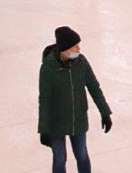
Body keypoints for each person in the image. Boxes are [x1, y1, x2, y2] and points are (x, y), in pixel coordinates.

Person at [38, 26, 112, 173]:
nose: (79, 49)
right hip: (56, 122)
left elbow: (94, 87)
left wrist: (105, 112)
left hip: (78, 119)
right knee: (60, 158)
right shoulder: (48, 67)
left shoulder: (81, 62)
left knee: (82, 154)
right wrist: (44, 129)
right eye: (75, 46)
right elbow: (45, 100)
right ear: (65, 49)